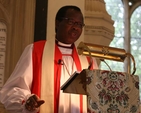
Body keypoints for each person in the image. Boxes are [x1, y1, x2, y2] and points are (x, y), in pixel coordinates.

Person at [0, 5, 98, 113]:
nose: (76, 27)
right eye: (71, 22)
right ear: (57, 23)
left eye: (79, 24)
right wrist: (28, 101)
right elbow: (12, 89)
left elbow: (97, 95)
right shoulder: (35, 51)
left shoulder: (88, 59)